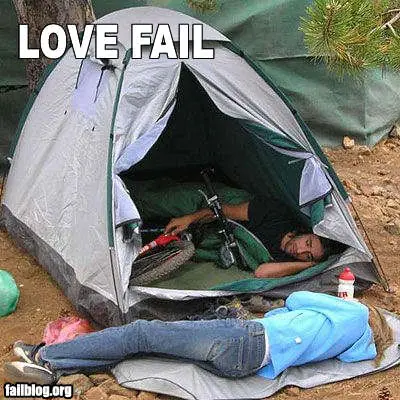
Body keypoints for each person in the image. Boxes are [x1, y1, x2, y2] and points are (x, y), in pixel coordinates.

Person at [4, 292, 392, 385]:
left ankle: (44, 355)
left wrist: (348, 303)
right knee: (147, 349)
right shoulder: (358, 350)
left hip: (244, 339)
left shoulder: (356, 313)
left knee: (142, 333)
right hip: (245, 365)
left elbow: (297, 299)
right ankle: (56, 369)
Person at [164, 197, 346, 278]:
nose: (300, 250)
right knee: (171, 202)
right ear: (305, 231)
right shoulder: (276, 213)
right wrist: (189, 218)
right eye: (307, 242)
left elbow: (261, 272)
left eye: (308, 255)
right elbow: (223, 210)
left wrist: (308, 265)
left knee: (176, 250)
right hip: (221, 210)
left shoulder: (287, 262)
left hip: (222, 238)